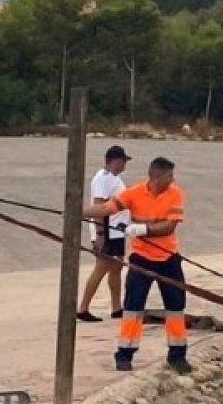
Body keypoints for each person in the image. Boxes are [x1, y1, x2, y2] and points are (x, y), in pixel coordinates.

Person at [84, 157, 191, 374]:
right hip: (141, 258)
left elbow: (169, 227)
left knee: (176, 308)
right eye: (169, 176)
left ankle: (177, 355)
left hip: (168, 258)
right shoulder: (134, 192)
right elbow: (108, 207)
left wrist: (142, 230)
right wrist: (80, 213)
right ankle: (124, 355)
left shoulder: (175, 193)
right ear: (156, 177)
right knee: (133, 308)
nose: (173, 180)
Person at [77, 145, 131, 322]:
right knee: (101, 268)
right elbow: (99, 206)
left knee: (116, 267)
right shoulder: (104, 179)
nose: (124, 165)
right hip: (107, 231)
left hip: (117, 231)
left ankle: (117, 307)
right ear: (113, 161)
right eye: (123, 161)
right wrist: (100, 233)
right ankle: (83, 307)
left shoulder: (115, 178)